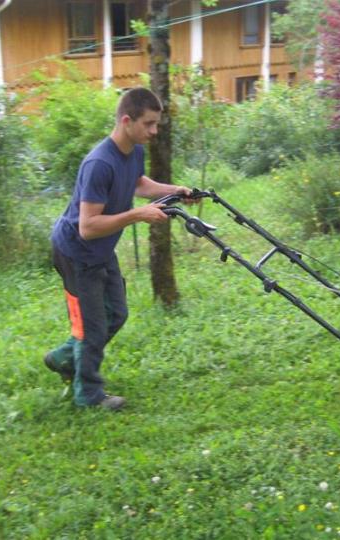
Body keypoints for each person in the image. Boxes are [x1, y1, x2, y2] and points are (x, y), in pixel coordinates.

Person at [44, 87, 194, 411]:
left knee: (116, 313)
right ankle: (89, 395)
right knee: (93, 325)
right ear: (127, 121)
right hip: (77, 252)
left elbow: (139, 184)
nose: (154, 131)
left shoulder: (134, 151)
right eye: (149, 124)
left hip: (101, 250)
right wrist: (138, 214)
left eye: (156, 124)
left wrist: (177, 191)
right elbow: (88, 226)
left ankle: (64, 357)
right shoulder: (99, 162)